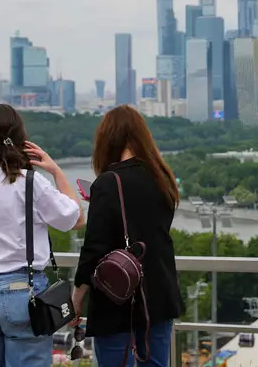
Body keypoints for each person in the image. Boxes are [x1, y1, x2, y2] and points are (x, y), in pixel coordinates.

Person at [0, 104, 85, 367]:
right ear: (21, 141)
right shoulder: (28, 182)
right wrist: (56, 171)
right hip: (23, 293)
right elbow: (76, 219)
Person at [73, 105, 184, 367]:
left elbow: (94, 248)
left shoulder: (108, 182)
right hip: (158, 296)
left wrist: (77, 296)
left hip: (117, 300)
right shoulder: (162, 177)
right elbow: (148, 226)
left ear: (108, 139)